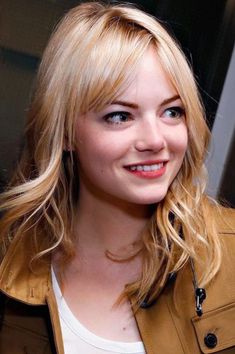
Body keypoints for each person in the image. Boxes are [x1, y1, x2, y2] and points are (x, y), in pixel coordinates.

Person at [0, 2, 235, 353]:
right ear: (63, 132)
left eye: (172, 111)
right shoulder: (9, 264)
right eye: (120, 116)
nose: (156, 140)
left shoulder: (229, 252)